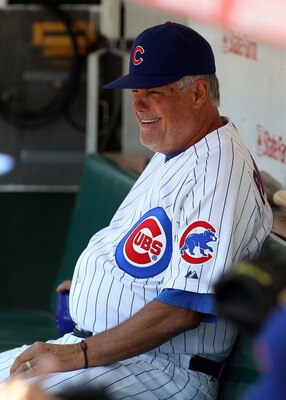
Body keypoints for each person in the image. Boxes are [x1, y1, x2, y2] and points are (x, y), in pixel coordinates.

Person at [0, 22, 272, 400]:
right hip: (113, 356)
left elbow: (183, 308)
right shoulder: (176, 149)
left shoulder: (216, 170)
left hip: (161, 371)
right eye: (135, 91)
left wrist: (77, 354)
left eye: (155, 92)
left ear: (198, 93)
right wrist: (93, 285)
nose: (139, 104)